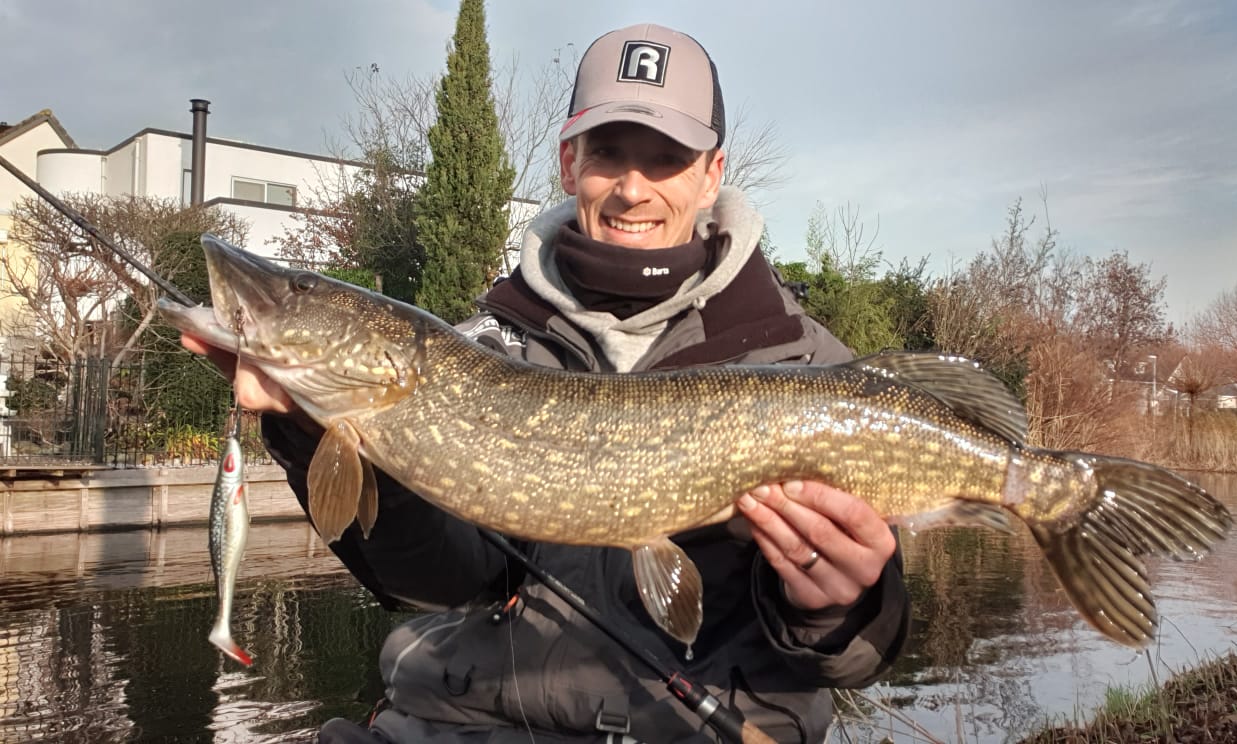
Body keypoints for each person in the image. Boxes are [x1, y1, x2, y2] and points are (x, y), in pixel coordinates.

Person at [184, 23, 910, 744]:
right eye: (608, 154)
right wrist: (307, 427)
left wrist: (837, 606)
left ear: (711, 174)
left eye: (667, 158)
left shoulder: (808, 365)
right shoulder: (485, 349)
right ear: (570, 163)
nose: (632, 189)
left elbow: (858, 657)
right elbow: (438, 581)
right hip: (458, 725)